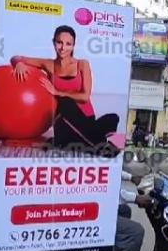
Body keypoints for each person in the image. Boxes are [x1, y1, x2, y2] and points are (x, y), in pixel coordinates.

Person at [11, 25, 121, 155]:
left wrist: (58, 92)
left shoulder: (82, 64)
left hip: (86, 119)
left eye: (68, 44)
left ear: (73, 46)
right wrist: (18, 63)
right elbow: (17, 57)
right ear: (54, 42)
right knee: (65, 103)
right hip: (63, 120)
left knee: (113, 118)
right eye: (59, 42)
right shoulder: (48, 64)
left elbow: (85, 96)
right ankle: (99, 147)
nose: (63, 48)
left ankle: (65, 143)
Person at [100, 170, 151, 251]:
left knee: (124, 210)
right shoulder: (87, 157)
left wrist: (131, 177)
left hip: (98, 203)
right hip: (87, 209)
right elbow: (102, 186)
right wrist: (135, 198)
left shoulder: (99, 155)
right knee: (134, 232)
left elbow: (111, 169)